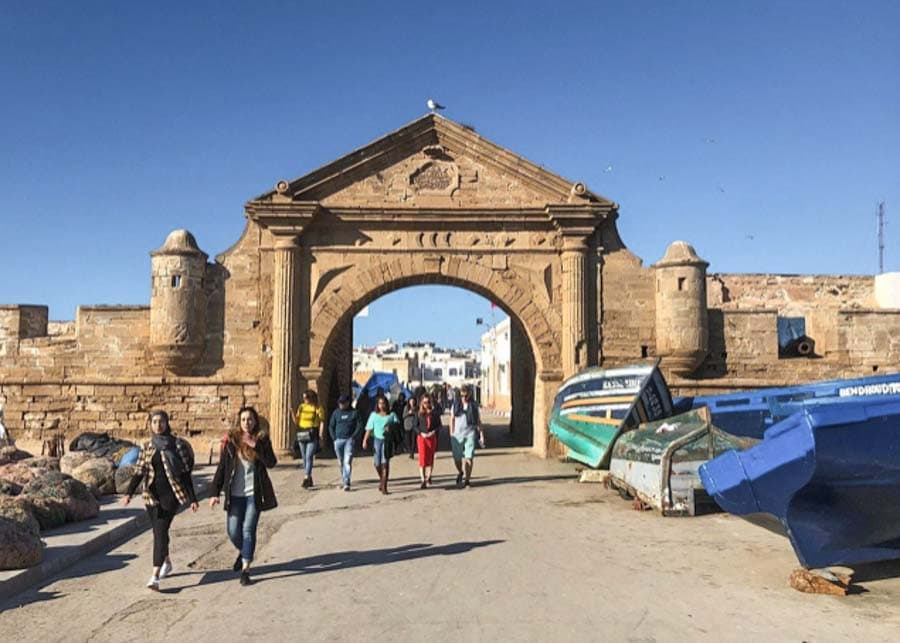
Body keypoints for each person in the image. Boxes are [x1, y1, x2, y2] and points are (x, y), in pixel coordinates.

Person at [123, 410, 198, 591]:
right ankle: (167, 562)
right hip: (151, 496)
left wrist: (193, 498)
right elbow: (139, 472)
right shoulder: (147, 446)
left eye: (161, 421)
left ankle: (155, 575)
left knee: (160, 531)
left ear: (167, 423)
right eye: (155, 422)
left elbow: (185, 474)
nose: (158, 425)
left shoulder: (176, 445)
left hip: (172, 495)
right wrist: (129, 493)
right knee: (159, 532)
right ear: (150, 424)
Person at [210, 407, 278, 586]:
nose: (247, 423)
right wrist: (214, 493)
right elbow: (222, 468)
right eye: (243, 419)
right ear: (239, 422)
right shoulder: (232, 442)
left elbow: (271, 463)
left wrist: (258, 448)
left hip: (254, 494)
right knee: (233, 531)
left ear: (255, 421)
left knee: (248, 529)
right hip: (234, 494)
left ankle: (246, 570)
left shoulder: (262, 440)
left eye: (250, 419)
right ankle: (244, 551)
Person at [450, 384, 485, 487]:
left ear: (469, 395)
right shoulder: (455, 405)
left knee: (469, 457)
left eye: (466, 396)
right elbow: (452, 419)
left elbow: (478, 421)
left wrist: (482, 435)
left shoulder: (474, 406)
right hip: (457, 434)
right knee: (457, 458)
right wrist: (451, 433)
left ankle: (467, 480)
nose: (464, 398)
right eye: (462, 396)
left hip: (470, 433)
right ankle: (460, 472)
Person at [362, 395, 397, 494]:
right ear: (377, 404)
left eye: (383, 403)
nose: (382, 405)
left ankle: (384, 487)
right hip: (377, 440)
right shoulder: (373, 415)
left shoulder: (391, 415)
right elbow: (369, 429)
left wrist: (391, 427)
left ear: (386, 403)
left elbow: (398, 426)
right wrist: (365, 440)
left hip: (387, 441)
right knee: (377, 463)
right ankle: (382, 479)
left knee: (385, 463)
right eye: (380, 403)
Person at [293, 390, 325, 488]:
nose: (305, 400)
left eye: (306, 397)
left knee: (309, 456)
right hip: (302, 434)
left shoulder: (318, 408)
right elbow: (297, 422)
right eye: (304, 398)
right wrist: (292, 413)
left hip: (312, 434)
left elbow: (321, 422)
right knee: (304, 458)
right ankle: (309, 477)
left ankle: (306, 477)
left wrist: (321, 435)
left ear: (311, 398)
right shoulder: (301, 407)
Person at [328, 394, 359, 491]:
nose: (341, 405)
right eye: (340, 403)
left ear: (347, 403)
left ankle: (346, 481)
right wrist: (334, 438)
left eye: (343, 403)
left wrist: (354, 436)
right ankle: (344, 478)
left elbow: (359, 425)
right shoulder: (336, 413)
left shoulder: (354, 412)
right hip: (338, 440)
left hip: (349, 440)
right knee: (341, 461)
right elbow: (331, 426)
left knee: (347, 460)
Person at [413, 393, 442, 489]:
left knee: (430, 458)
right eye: (424, 402)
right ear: (421, 403)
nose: (426, 404)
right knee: (422, 458)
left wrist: (433, 432)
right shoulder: (418, 413)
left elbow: (439, 425)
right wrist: (421, 433)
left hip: (431, 437)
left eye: (428, 402)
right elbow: (415, 425)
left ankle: (429, 476)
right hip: (422, 438)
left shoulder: (434, 413)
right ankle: (422, 480)